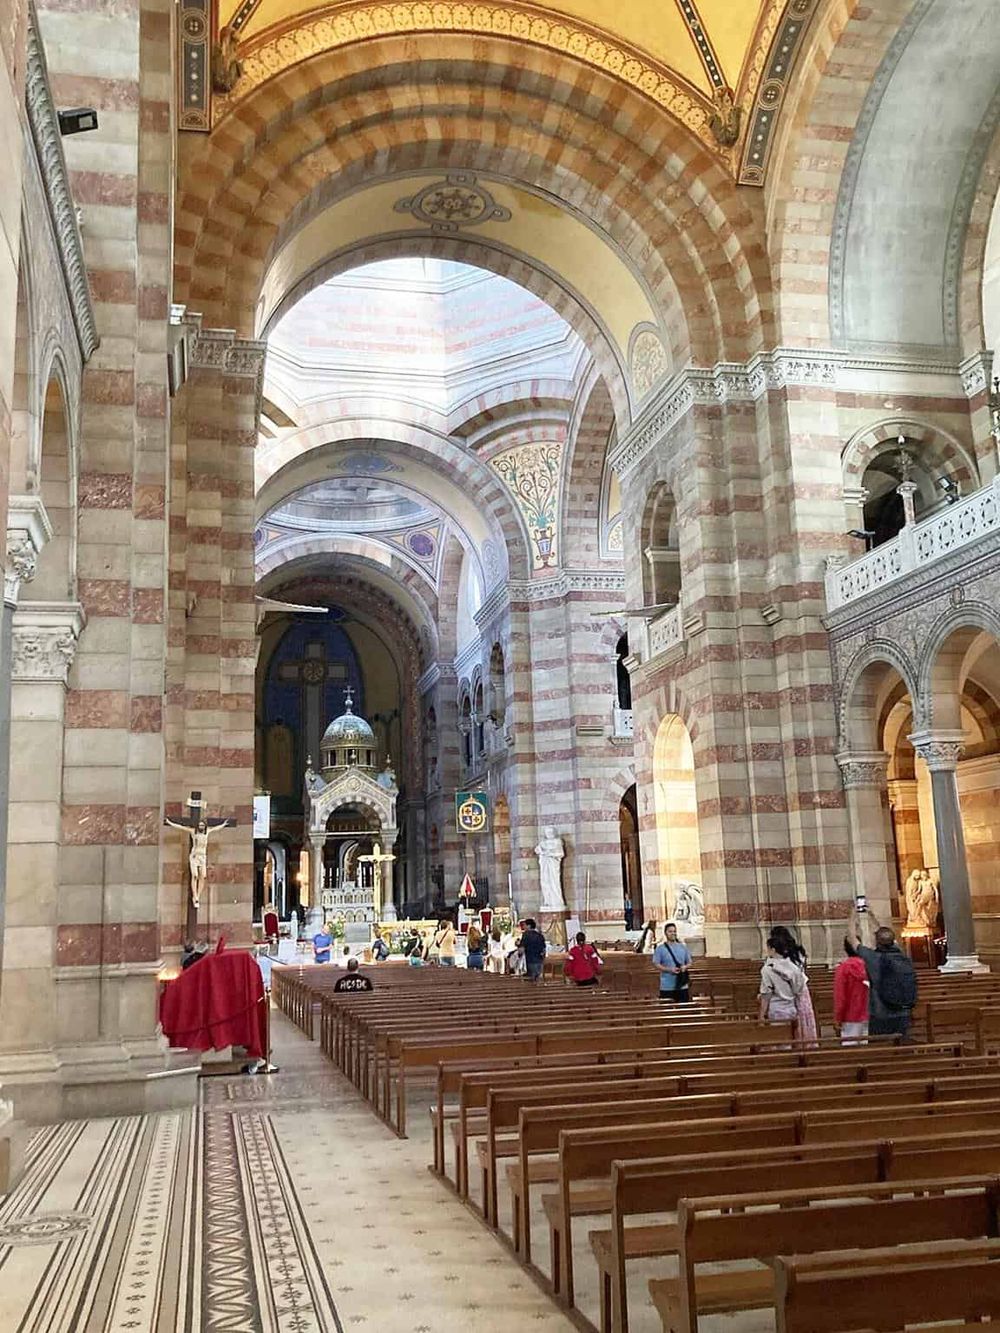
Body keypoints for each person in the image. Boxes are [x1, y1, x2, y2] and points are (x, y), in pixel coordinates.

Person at [847, 910, 917, 1038]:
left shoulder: (873, 958)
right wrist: (873, 917)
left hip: (881, 1011)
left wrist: (853, 916)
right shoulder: (902, 955)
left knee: (881, 1048)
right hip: (903, 1011)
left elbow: (852, 940)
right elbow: (886, 936)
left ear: (876, 941)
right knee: (902, 1047)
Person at [759, 927, 817, 1044]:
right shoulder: (794, 962)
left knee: (781, 1039)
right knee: (799, 1025)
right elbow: (798, 984)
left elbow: (767, 993)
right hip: (796, 996)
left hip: (778, 1006)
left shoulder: (768, 968)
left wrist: (761, 1014)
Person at [834, 938, 870, 1044]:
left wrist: (838, 1018)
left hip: (850, 1015)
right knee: (870, 1049)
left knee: (850, 1049)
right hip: (870, 1013)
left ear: (845, 949)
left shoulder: (843, 969)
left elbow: (840, 996)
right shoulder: (869, 966)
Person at [652, 922, 692, 1001]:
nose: (673, 933)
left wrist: (685, 967)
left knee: (683, 1008)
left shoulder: (683, 947)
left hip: (682, 984)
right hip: (667, 986)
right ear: (665, 933)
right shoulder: (660, 949)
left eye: (674, 931)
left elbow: (689, 962)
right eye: (670, 931)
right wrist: (669, 969)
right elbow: (656, 964)